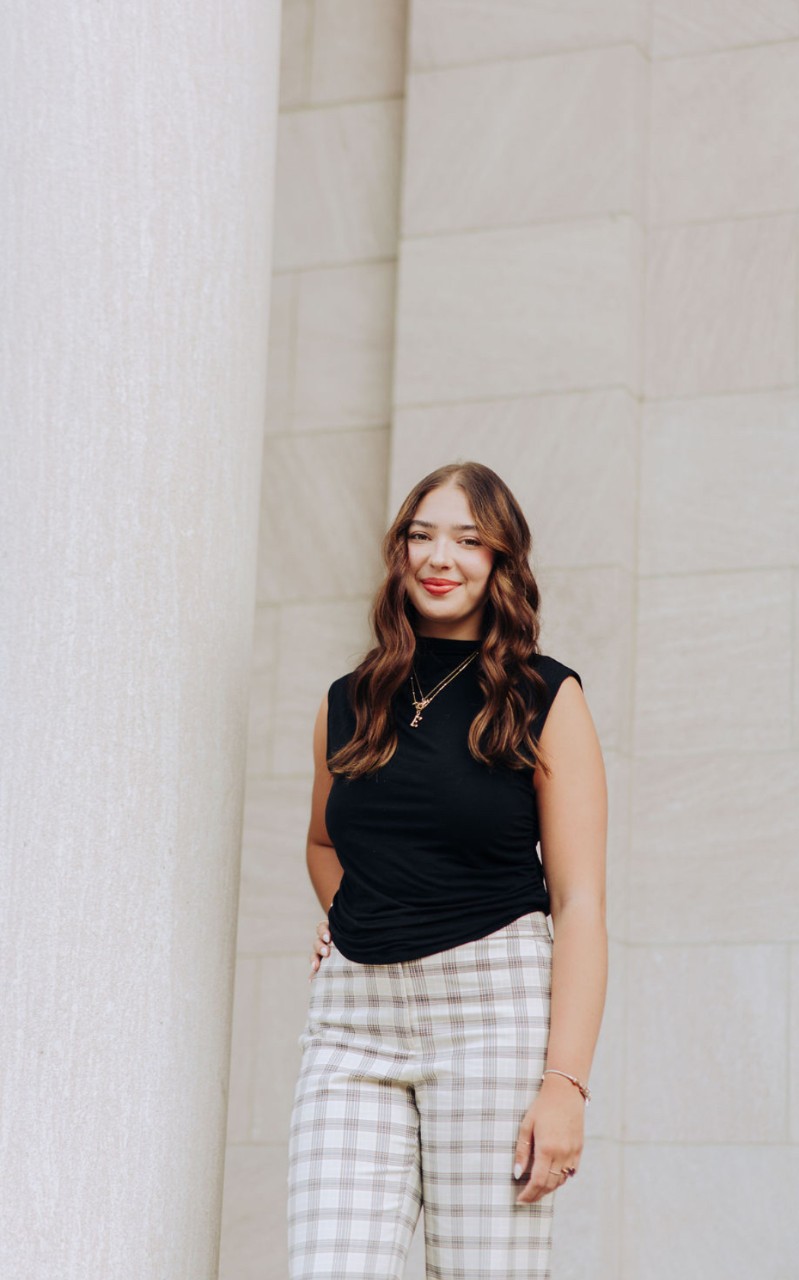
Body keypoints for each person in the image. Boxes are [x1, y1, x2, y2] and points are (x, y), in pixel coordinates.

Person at [287, 461, 608, 1280]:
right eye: (421, 536)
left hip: (492, 1015)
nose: (441, 557)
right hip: (352, 1023)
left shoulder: (543, 696)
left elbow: (577, 903)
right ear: (398, 554)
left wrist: (564, 1084)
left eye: (468, 540)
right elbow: (324, 844)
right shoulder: (346, 700)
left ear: (501, 561)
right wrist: (343, 913)